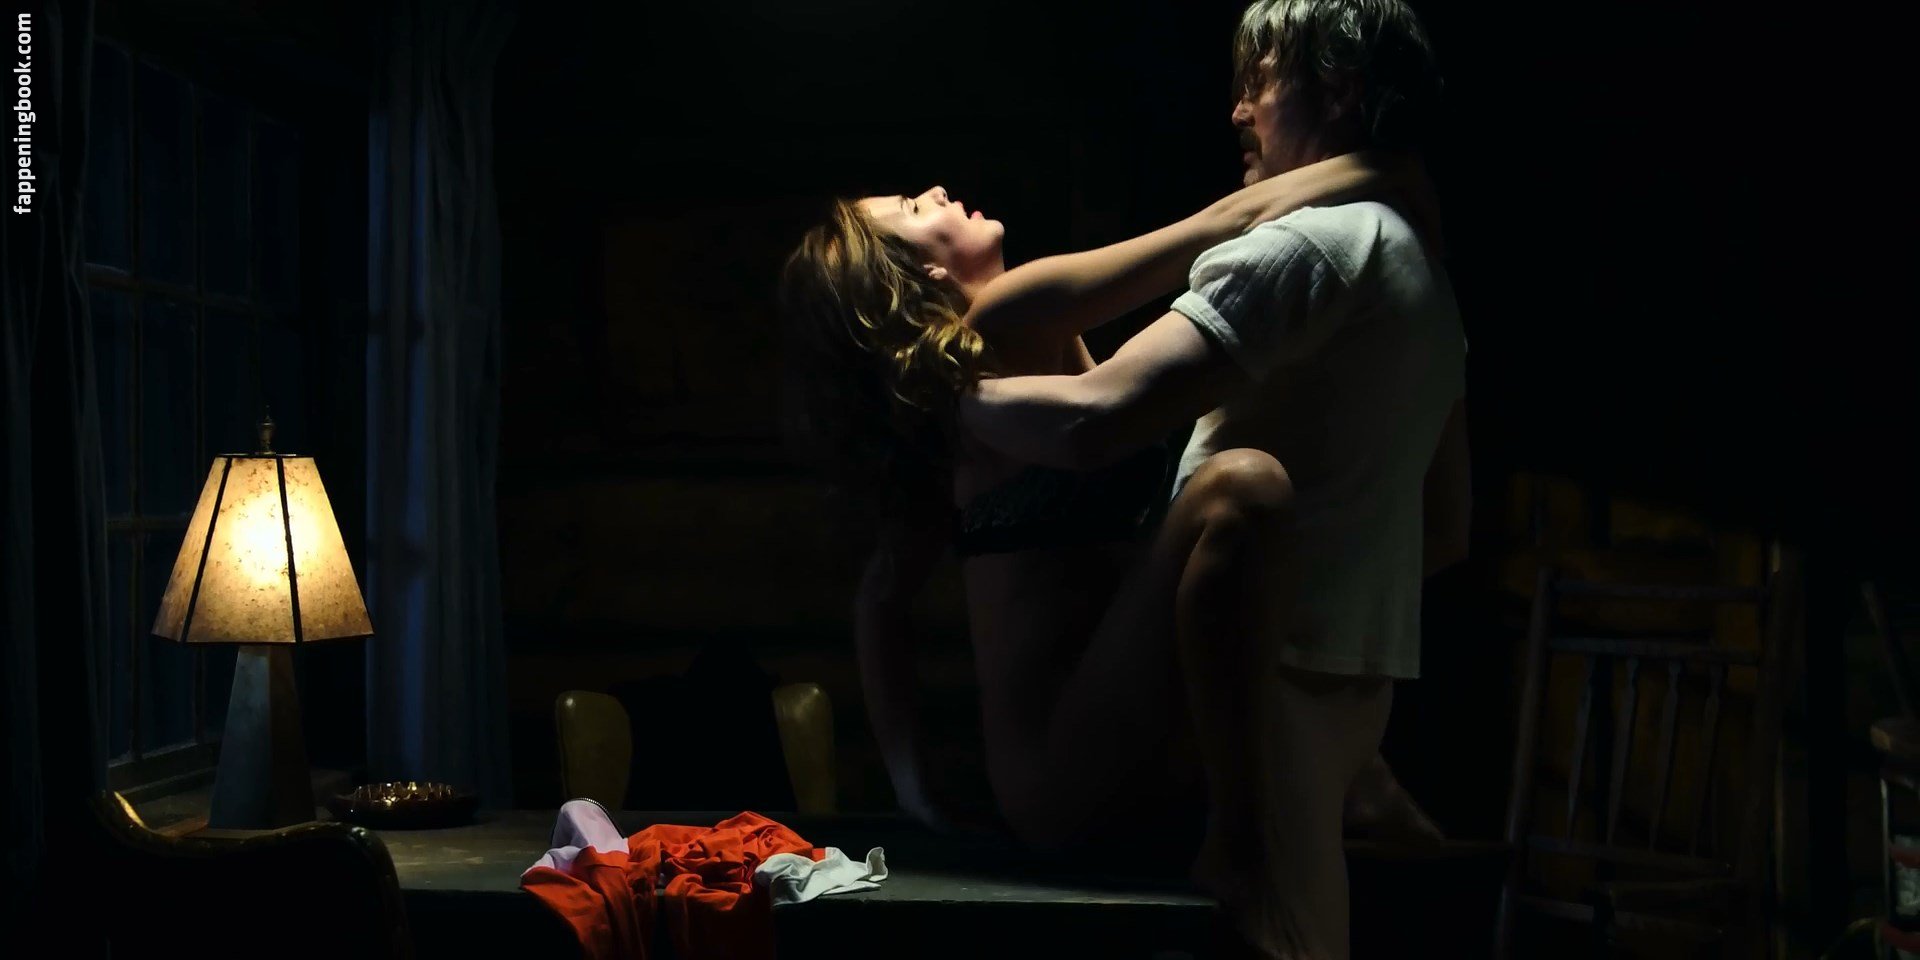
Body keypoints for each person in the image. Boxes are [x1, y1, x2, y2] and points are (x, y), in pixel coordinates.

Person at [954, 1, 1467, 957]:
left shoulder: (1307, 247)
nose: (1236, 112)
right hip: (1347, 699)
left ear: (1337, 89)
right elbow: (1444, 531)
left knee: (1239, 486)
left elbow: (1094, 419)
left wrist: (948, 398)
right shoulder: (1424, 276)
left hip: (1242, 689)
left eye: (1259, 84)